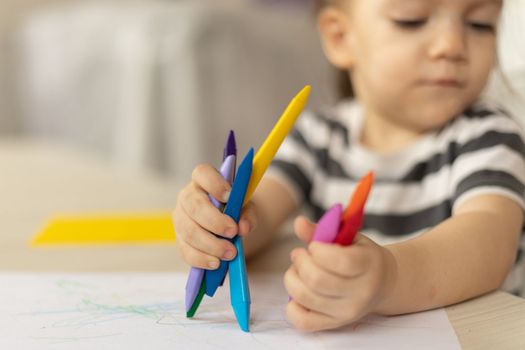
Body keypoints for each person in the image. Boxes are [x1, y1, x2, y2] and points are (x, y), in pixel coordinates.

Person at [173, 0, 525, 332]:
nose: (452, 45)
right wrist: (211, 224)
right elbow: (256, 215)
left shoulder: (492, 137)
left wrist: (391, 278)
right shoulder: (319, 137)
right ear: (340, 37)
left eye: (480, 24)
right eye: (412, 19)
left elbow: (489, 242)